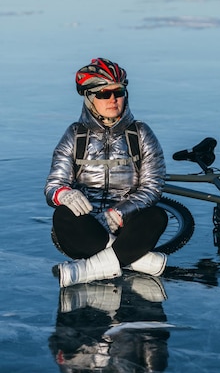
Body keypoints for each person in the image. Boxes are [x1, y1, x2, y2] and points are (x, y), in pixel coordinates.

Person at [45, 57, 168, 288]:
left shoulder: (140, 134)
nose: (112, 99)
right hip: (87, 227)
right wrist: (63, 194)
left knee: (156, 217)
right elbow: (54, 184)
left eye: (118, 92)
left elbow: (153, 186)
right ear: (90, 98)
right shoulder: (75, 135)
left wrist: (119, 213)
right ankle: (135, 260)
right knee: (62, 216)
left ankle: (86, 269)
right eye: (103, 94)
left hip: (126, 226)